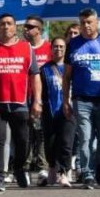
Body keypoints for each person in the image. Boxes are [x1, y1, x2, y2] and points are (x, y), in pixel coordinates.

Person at [0, 13, 41, 192]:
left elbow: (35, 77)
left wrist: (37, 101)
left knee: (23, 140)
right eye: (2, 24)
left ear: (15, 27)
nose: (5, 27)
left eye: (9, 23)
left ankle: (19, 167)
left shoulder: (27, 48)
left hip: (20, 103)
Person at [62, 7, 100, 189]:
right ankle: (87, 173)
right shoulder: (73, 44)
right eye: (83, 22)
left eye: (89, 22)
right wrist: (66, 100)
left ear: (97, 23)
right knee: (85, 138)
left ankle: (99, 163)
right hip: (81, 99)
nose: (86, 26)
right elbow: (66, 76)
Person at [40, 37, 75, 187]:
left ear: (66, 49)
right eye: (55, 46)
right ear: (51, 48)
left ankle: (64, 173)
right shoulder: (44, 69)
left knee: (66, 142)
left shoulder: (72, 67)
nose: (58, 49)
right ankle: (53, 168)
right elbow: (40, 90)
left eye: (61, 47)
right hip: (50, 110)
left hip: (68, 110)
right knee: (50, 144)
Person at [23, 15, 53, 181]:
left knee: (41, 132)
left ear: (39, 30)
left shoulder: (49, 48)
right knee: (26, 133)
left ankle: (43, 166)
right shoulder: (22, 47)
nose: (26, 29)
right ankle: (25, 167)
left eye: (30, 26)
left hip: (44, 96)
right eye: (25, 26)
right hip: (24, 95)